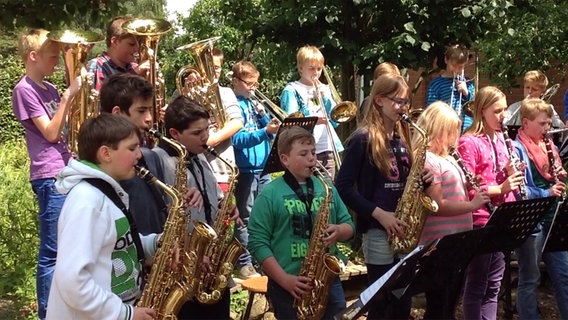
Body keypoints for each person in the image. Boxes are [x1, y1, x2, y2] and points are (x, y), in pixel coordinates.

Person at [46, 113, 158, 320]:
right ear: (106, 153)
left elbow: (115, 243)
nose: (139, 155)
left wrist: (156, 244)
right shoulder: (87, 202)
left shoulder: (105, 191)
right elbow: (73, 280)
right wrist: (124, 314)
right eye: (132, 148)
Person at [248, 125, 354, 319]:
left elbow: (349, 226)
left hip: (328, 281)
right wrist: (285, 280)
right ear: (284, 159)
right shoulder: (270, 193)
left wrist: (339, 230)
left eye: (313, 152)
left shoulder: (327, 187)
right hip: (288, 284)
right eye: (303, 153)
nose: (312, 158)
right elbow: (257, 243)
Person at [11, 28, 81, 319]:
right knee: (52, 252)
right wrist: (68, 96)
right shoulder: (23, 90)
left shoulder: (49, 89)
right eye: (53, 57)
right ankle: (46, 313)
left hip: (66, 170)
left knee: (69, 247)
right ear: (33, 56)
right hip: (49, 176)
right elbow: (51, 133)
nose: (56, 62)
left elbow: (66, 127)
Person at [335, 73, 418, 319]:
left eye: (406, 102)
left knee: (402, 302)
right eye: (398, 101)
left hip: (405, 230)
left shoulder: (402, 137)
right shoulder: (363, 138)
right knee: (381, 305)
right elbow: (344, 186)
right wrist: (380, 215)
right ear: (379, 100)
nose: (404, 108)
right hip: (378, 231)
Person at [153, 95, 238, 319]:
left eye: (207, 130)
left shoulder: (200, 156)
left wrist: (226, 206)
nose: (206, 137)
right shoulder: (158, 160)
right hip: (185, 268)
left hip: (213, 264)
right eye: (197, 133)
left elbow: (215, 198)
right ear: (174, 134)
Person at [414, 101, 490, 319]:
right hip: (439, 243)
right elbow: (437, 205)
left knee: (449, 304)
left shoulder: (447, 157)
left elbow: (452, 191)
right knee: (440, 306)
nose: (456, 136)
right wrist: (473, 205)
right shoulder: (428, 159)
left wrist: (466, 186)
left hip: (456, 240)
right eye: (452, 131)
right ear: (438, 130)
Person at [457, 86, 525, 319]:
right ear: (481, 111)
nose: (503, 116)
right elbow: (467, 187)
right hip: (481, 218)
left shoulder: (502, 140)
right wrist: (502, 187)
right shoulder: (469, 142)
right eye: (497, 111)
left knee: (495, 284)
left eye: (504, 110)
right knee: (477, 283)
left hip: (504, 215)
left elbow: (501, 175)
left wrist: (511, 172)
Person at [513, 97, 568, 320]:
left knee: (564, 276)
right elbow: (520, 192)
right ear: (525, 123)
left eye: (549, 123)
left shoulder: (551, 146)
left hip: (553, 219)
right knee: (530, 279)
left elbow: (553, 176)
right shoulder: (517, 149)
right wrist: (547, 192)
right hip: (533, 223)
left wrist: (561, 175)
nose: (548, 128)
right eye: (542, 124)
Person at [99, 73, 169, 234]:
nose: (149, 118)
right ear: (117, 113)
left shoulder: (150, 157)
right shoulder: (104, 165)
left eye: (150, 110)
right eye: (141, 111)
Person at [230, 60, 280, 279]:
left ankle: (262, 259)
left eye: (256, 83)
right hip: (245, 169)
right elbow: (237, 139)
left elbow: (271, 128)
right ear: (235, 81)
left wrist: (263, 118)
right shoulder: (233, 106)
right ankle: (244, 262)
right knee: (245, 217)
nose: (254, 88)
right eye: (250, 83)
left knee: (265, 215)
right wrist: (264, 132)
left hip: (263, 167)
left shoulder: (252, 104)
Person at [280, 45, 344, 178]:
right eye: (311, 68)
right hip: (303, 149)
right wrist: (314, 121)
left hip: (327, 148)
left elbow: (337, 119)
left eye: (319, 69)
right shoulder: (292, 90)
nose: (316, 73)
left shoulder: (325, 89)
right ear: (301, 68)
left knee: (328, 189)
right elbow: (291, 123)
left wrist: (326, 98)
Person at [205, 48, 244, 193]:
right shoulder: (183, 91)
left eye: (216, 67)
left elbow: (237, 122)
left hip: (220, 167)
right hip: (192, 168)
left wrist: (212, 140)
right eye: (208, 67)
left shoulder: (226, 93)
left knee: (224, 214)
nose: (212, 71)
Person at [87, 16, 145, 91]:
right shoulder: (96, 66)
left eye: (138, 43)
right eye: (131, 44)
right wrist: (135, 74)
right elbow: (105, 99)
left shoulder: (135, 67)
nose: (137, 48)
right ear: (114, 41)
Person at [426, 44, 475, 132]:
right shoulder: (436, 84)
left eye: (460, 67)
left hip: (466, 130)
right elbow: (431, 110)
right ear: (446, 60)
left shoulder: (468, 83)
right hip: (445, 129)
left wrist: (466, 93)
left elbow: (474, 107)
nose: (456, 70)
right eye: (453, 65)